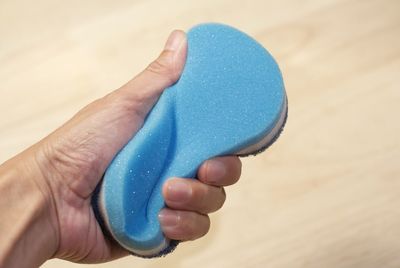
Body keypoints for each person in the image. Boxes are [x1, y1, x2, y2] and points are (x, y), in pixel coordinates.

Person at [0, 30, 242, 267]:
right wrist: (48, 189)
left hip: (101, 210)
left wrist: (49, 189)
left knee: (193, 185)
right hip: (109, 211)